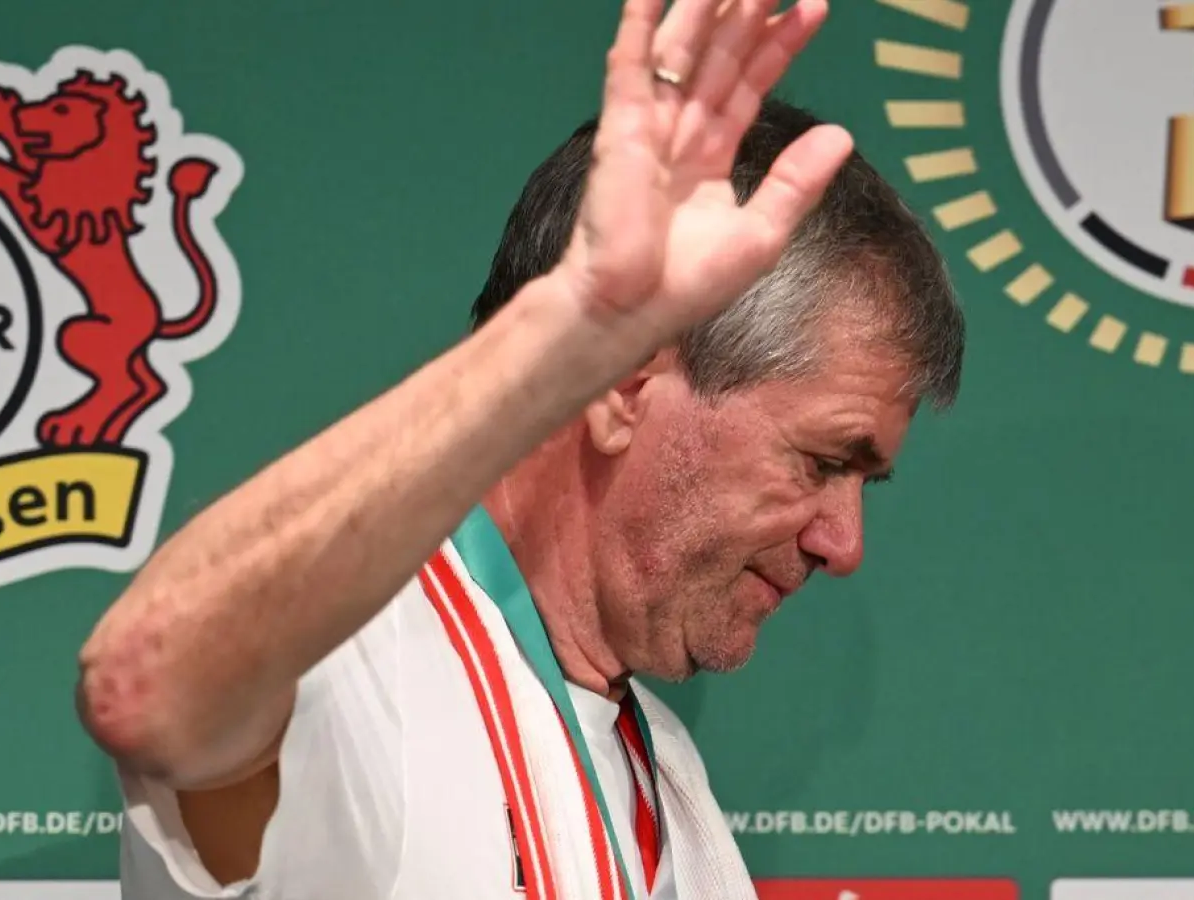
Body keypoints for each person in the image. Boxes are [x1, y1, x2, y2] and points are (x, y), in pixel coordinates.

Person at [75, 0, 964, 897]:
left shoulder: (673, 784)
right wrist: (574, 324)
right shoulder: (353, 660)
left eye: (865, 483)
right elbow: (136, 687)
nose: (843, 544)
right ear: (623, 388)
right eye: (820, 462)